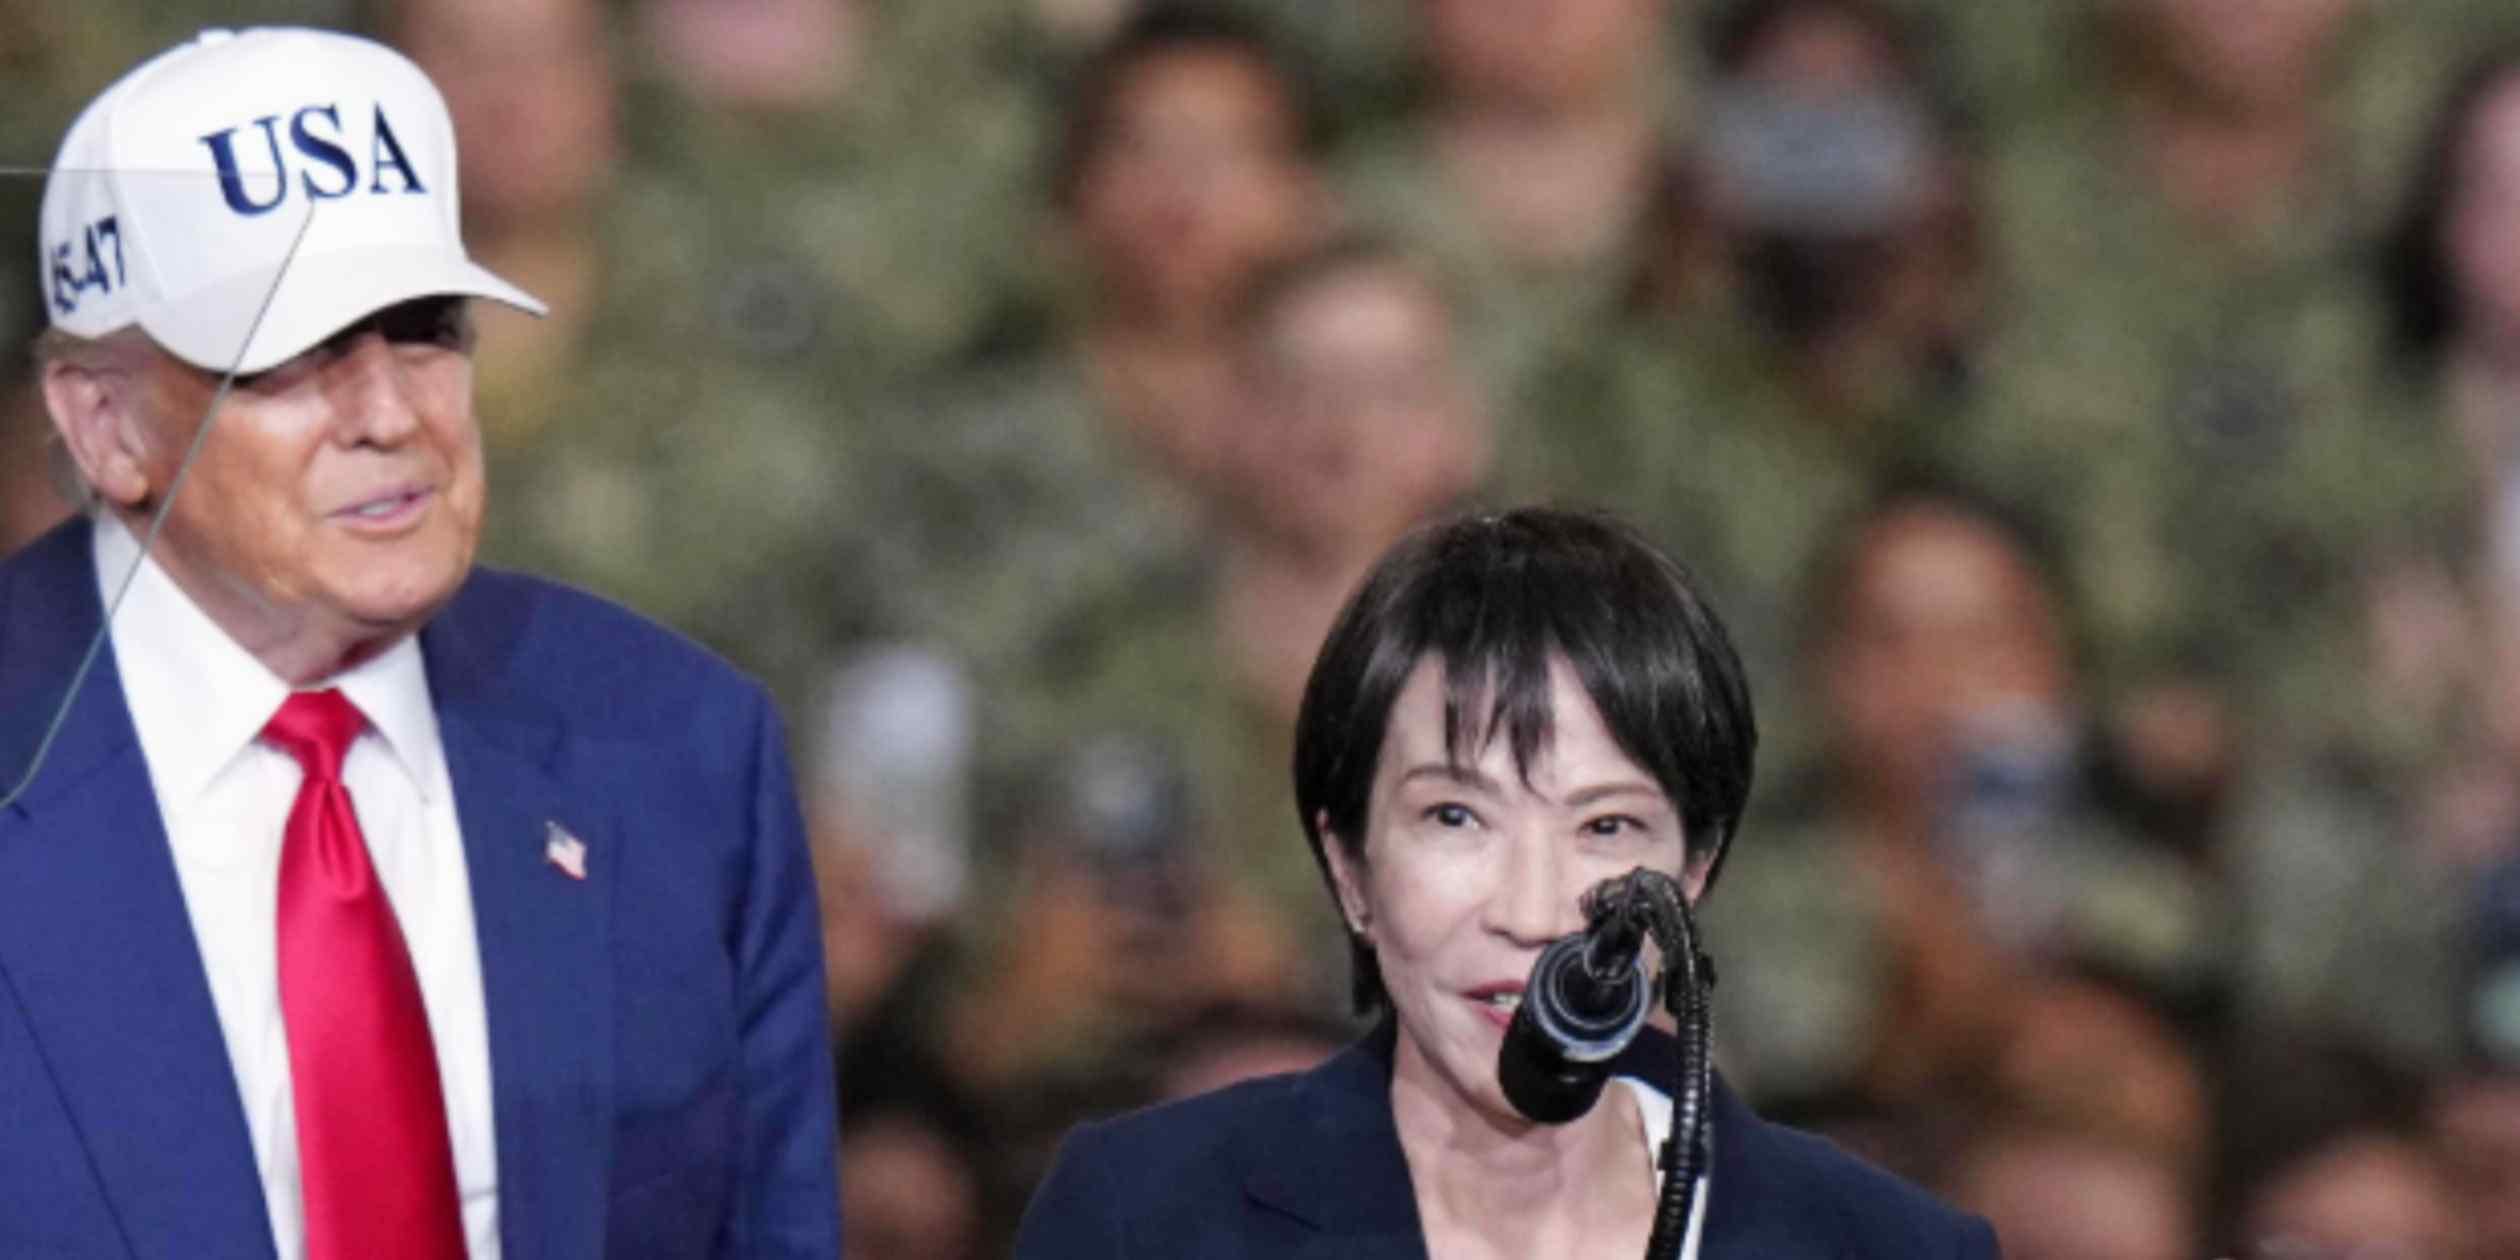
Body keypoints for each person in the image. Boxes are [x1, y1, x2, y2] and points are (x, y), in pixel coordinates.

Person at [0, 27, 839, 1260]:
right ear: (105, 425)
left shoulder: (683, 751)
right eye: (286, 357)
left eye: (425, 327)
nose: (391, 414)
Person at [1014, 508, 1997, 1257]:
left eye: (1605, 827)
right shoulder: (1145, 1218)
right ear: (1349, 867)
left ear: (1695, 869)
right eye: (1456, 817)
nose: (1532, 914)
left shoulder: (1888, 1250)